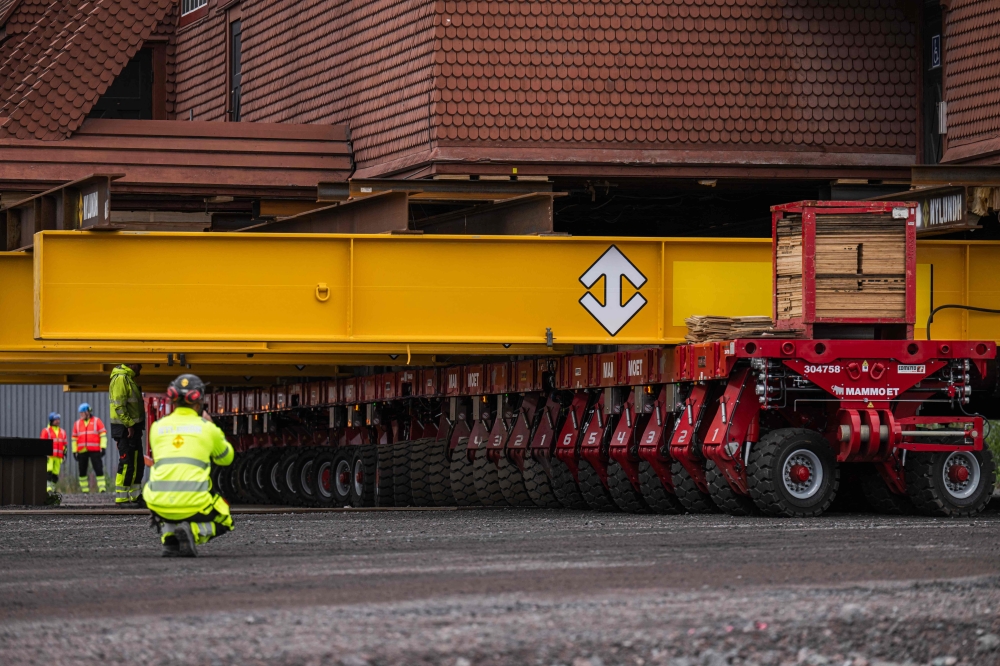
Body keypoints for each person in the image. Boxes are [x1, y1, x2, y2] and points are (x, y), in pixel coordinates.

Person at [144, 374, 235, 558]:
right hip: (193, 503)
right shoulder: (207, 428)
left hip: (157, 501)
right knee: (225, 518)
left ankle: (170, 539)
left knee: (170, 504)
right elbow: (226, 459)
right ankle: (193, 531)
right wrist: (212, 427)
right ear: (198, 401)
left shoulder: (157, 427)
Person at [109, 363, 145, 505]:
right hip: (125, 429)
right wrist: (129, 424)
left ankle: (135, 495)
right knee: (127, 462)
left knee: (137, 463)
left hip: (132, 428)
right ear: (132, 364)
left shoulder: (128, 378)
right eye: (139, 366)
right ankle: (122, 497)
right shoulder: (121, 379)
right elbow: (119, 405)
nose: (141, 369)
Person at [71, 403, 107, 493]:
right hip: (82, 450)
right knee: (82, 470)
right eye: (80, 413)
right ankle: (85, 490)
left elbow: (103, 435)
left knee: (98, 468)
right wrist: (74, 451)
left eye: (82, 413)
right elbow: (74, 439)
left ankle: (102, 488)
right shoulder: (77, 423)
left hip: (95, 450)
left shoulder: (97, 421)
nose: (81, 415)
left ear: (88, 412)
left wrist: (103, 447)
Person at [40, 412, 67, 494]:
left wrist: (64, 455)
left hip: (58, 457)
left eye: (58, 419)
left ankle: (52, 488)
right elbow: (42, 443)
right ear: (51, 421)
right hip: (49, 456)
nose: (58, 421)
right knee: (48, 472)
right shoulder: (46, 431)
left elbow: (64, 445)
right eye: (56, 420)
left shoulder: (62, 432)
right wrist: (44, 454)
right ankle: (48, 489)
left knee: (55, 475)